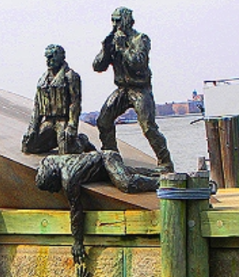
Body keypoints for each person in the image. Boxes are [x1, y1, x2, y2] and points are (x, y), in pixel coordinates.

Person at [35, 150, 159, 263]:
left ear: (55, 176)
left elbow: (76, 210)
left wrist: (78, 242)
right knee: (126, 173)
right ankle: (158, 173)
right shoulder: (47, 162)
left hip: (106, 159)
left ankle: (161, 182)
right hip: (100, 168)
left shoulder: (68, 179)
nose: (53, 192)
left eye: (51, 187)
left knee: (127, 184)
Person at [92, 7, 174, 172]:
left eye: (118, 20)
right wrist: (106, 48)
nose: (115, 24)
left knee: (148, 126)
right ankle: (112, 157)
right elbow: (97, 66)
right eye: (113, 20)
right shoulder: (113, 40)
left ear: (128, 21)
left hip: (140, 89)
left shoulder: (141, 39)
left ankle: (165, 163)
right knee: (103, 120)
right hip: (122, 89)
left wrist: (123, 48)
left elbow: (138, 63)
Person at [22, 44, 94, 155]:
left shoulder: (70, 76)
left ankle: (82, 141)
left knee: (66, 150)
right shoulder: (43, 79)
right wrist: (33, 128)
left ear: (60, 57)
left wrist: (72, 126)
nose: (48, 61)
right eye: (47, 58)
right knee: (29, 145)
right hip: (48, 121)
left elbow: (75, 104)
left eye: (51, 57)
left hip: (63, 120)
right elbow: (37, 106)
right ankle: (56, 141)